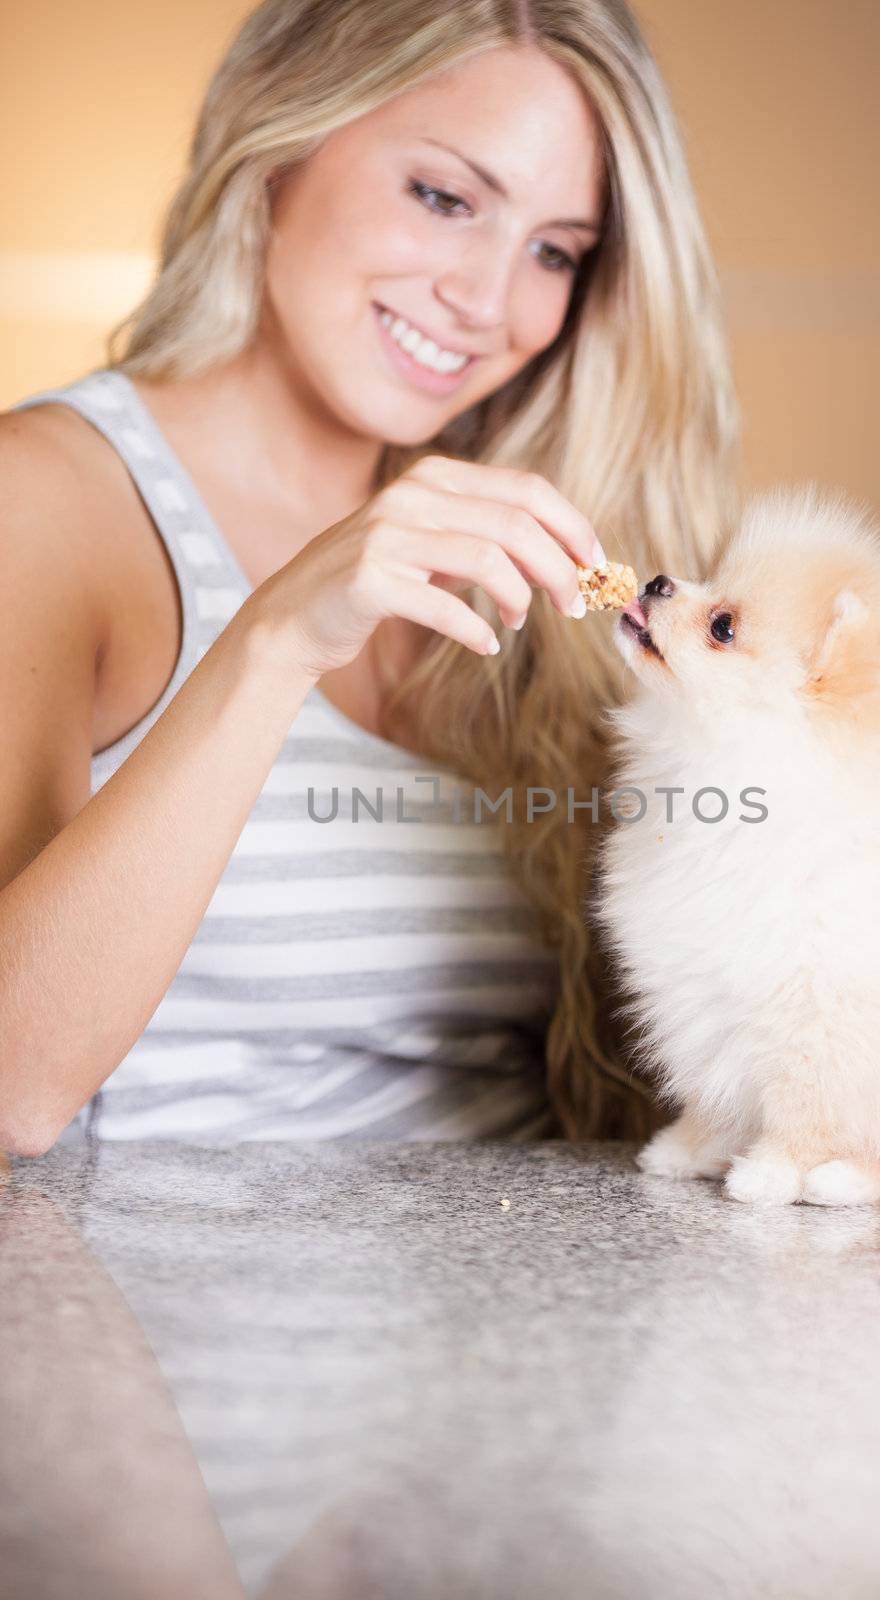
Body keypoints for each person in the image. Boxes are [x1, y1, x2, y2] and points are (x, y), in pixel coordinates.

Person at [0, 0, 737, 1157]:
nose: (489, 304)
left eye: (554, 251)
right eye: (444, 198)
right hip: (164, 1323)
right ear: (279, 144)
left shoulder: (540, 553)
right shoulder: (44, 501)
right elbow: (9, 1089)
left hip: (538, 1309)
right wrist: (274, 640)